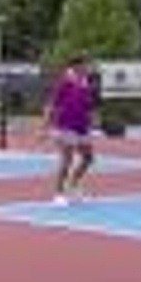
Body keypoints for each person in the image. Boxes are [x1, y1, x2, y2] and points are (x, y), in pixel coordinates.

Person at [43, 54, 96, 205]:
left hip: (82, 128)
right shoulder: (65, 82)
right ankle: (58, 194)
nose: (88, 68)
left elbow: (88, 106)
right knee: (67, 160)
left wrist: (91, 123)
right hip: (65, 126)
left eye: (88, 65)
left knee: (88, 158)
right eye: (86, 65)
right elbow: (52, 105)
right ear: (76, 66)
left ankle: (74, 184)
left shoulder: (85, 84)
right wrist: (45, 126)